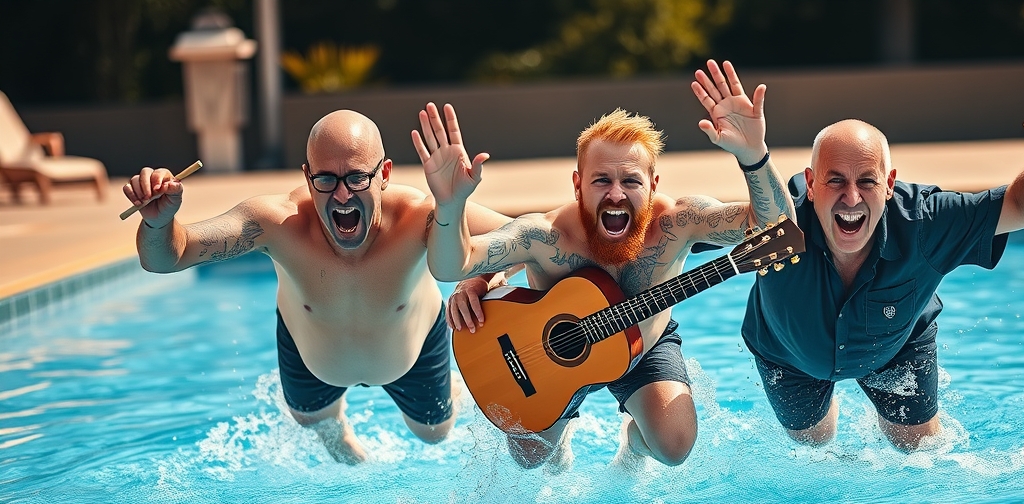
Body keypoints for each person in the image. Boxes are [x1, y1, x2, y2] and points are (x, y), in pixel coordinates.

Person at [412, 60, 793, 471]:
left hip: (640, 347)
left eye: (631, 180)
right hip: (544, 357)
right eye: (601, 181)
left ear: (653, 185)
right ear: (577, 185)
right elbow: (453, 266)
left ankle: (634, 444)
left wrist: (754, 158)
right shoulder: (546, 236)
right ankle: (563, 426)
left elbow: (777, 229)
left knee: (675, 447)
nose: (616, 194)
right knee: (529, 460)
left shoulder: (679, 222)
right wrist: (451, 206)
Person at [743, 72, 1024, 451]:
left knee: (920, 453)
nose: (852, 198)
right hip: (789, 353)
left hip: (896, 344)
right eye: (835, 180)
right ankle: (826, 405)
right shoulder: (779, 219)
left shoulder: (926, 223)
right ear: (810, 182)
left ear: (890, 184)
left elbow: (1022, 209)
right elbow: (694, 226)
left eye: (867, 182)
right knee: (814, 449)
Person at [123, 110, 510, 464]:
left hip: (411, 350)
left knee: (434, 436)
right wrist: (159, 224)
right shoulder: (277, 224)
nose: (342, 195)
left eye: (358, 177)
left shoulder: (419, 216)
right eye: (326, 179)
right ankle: (342, 437)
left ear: (385, 175)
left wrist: (477, 278)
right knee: (320, 430)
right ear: (307, 178)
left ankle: (452, 390)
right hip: (312, 360)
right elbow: (168, 258)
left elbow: (527, 237)